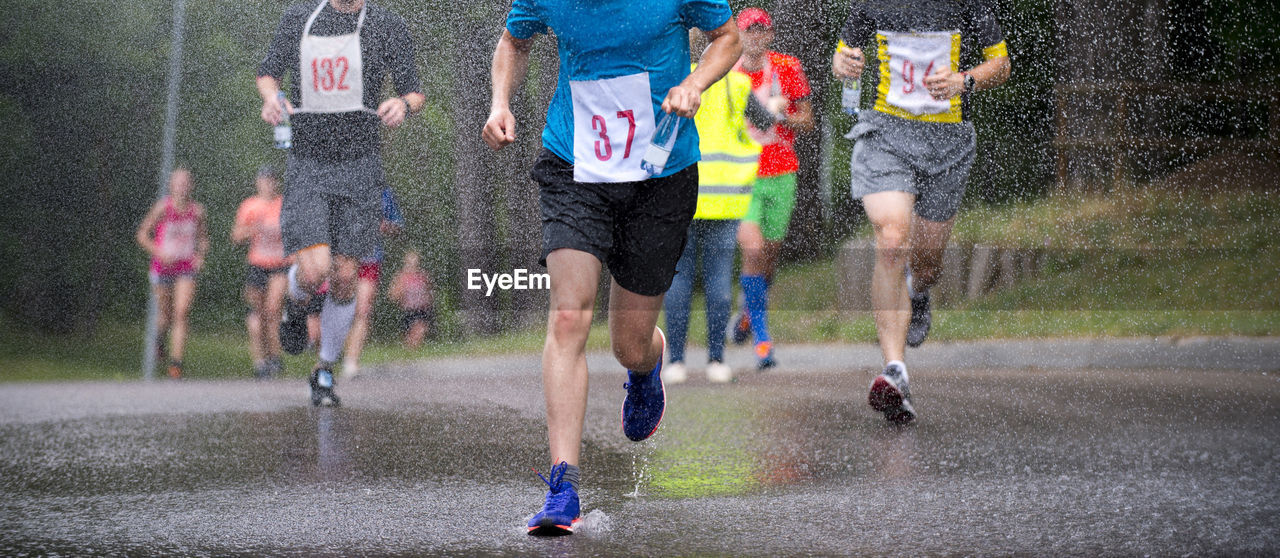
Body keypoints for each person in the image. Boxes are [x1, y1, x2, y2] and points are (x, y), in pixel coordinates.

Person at [482, 0, 740, 536]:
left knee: (627, 342)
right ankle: (561, 486)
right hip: (574, 164)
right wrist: (500, 101)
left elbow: (729, 38)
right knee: (569, 317)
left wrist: (696, 82)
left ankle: (647, 365)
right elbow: (514, 41)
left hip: (660, 173)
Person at [832, 0, 1010, 423]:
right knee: (892, 240)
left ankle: (920, 291)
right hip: (885, 135)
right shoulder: (868, 5)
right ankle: (895, 371)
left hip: (947, 143)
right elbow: (842, 56)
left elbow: (1000, 65)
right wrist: (844, 64)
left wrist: (964, 80)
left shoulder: (969, 6)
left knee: (926, 263)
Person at [257, 0, 424, 406]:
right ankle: (296, 307)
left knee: (347, 276)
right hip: (309, 163)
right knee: (314, 270)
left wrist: (403, 104)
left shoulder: (386, 25)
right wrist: (271, 98)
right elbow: (267, 73)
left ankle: (325, 371)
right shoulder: (299, 15)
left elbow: (415, 92)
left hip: (361, 167)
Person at [663, 33, 768, 385]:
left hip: (680, 198)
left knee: (678, 279)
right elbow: (766, 122)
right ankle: (716, 360)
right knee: (719, 281)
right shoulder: (736, 83)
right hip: (724, 200)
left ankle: (675, 362)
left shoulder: (672, 82)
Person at [728, 7, 814, 370]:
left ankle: (749, 312)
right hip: (739, 175)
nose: (756, 38)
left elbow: (807, 121)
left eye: (762, 32)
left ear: (770, 35)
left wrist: (780, 115)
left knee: (769, 257)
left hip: (781, 170)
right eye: (749, 31)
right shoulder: (725, 72)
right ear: (738, 35)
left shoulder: (787, 67)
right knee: (752, 249)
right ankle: (763, 340)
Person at [135, 167, 209, 379]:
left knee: (181, 312)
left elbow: (203, 238)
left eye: (186, 182)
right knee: (166, 316)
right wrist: (158, 251)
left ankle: (176, 365)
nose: (182, 186)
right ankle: (159, 339)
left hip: (186, 266)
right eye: (178, 182)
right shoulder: (163, 208)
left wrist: (200, 256)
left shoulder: (198, 211)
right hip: (163, 266)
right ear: (171, 185)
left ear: (191, 186)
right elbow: (142, 234)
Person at [341, 186, 405, 379]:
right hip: (344, 257)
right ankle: (332, 353)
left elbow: (398, 226)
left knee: (364, 309)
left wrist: (387, 227)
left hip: (370, 258)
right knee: (342, 307)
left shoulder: (384, 193)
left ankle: (351, 360)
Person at [232, 165, 289, 379]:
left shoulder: (284, 203)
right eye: (265, 180)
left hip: (281, 264)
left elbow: (296, 232)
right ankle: (260, 361)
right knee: (257, 315)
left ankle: (274, 356)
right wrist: (252, 229)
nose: (269, 184)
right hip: (257, 264)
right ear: (258, 182)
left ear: (276, 183)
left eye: (272, 180)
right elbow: (236, 237)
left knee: (273, 309)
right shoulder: (250, 206)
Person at [387, 249, 434, 349]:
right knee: (410, 337)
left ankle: (413, 353)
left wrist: (429, 300)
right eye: (410, 261)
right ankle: (410, 354)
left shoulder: (422, 275)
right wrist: (401, 293)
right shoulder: (401, 276)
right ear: (406, 262)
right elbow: (392, 295)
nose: (413, 264)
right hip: (408, 310)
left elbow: (429, 291)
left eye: (415, 261)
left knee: (419, 331)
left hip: (423, 309)